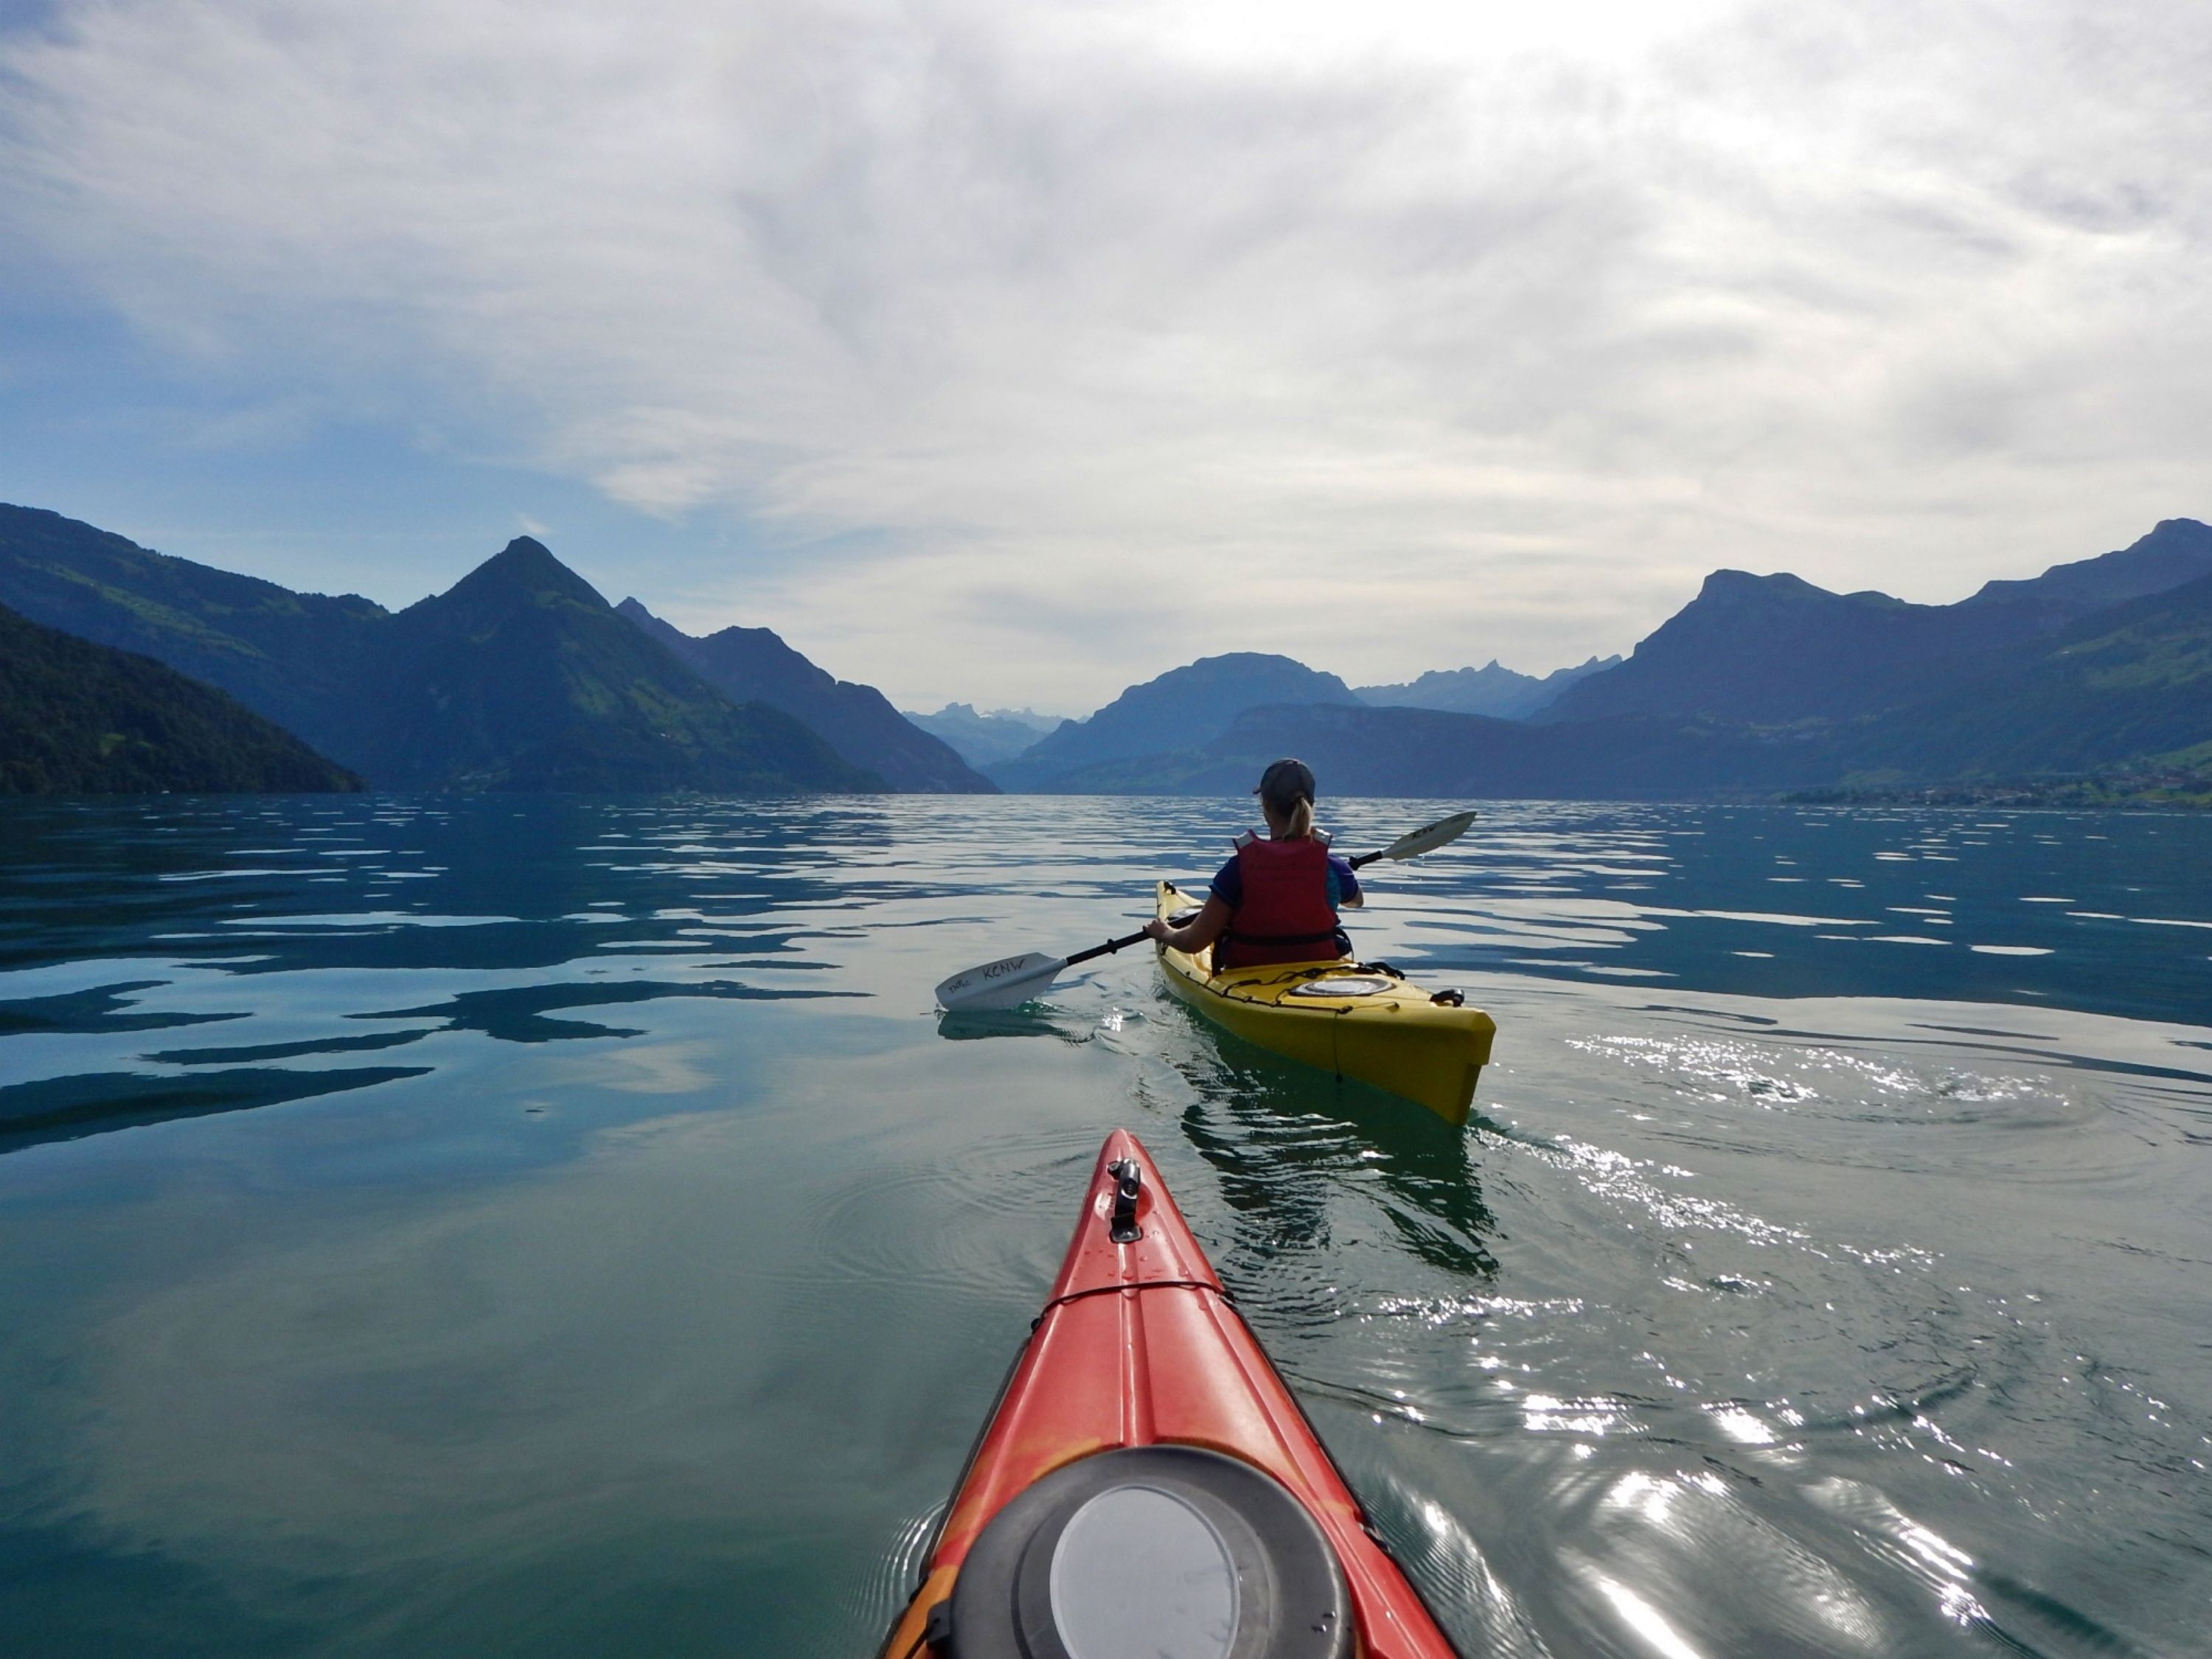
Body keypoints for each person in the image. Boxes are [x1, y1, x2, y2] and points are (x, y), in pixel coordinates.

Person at [1144, 757, 1363, 970]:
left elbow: (1192, 943)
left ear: (1266, 805)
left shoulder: (1239, 868)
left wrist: (1164, 933)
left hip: (1249, 975)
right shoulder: (1332, 866)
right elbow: (1356, 901)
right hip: (1320, 970)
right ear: (1311, 805)